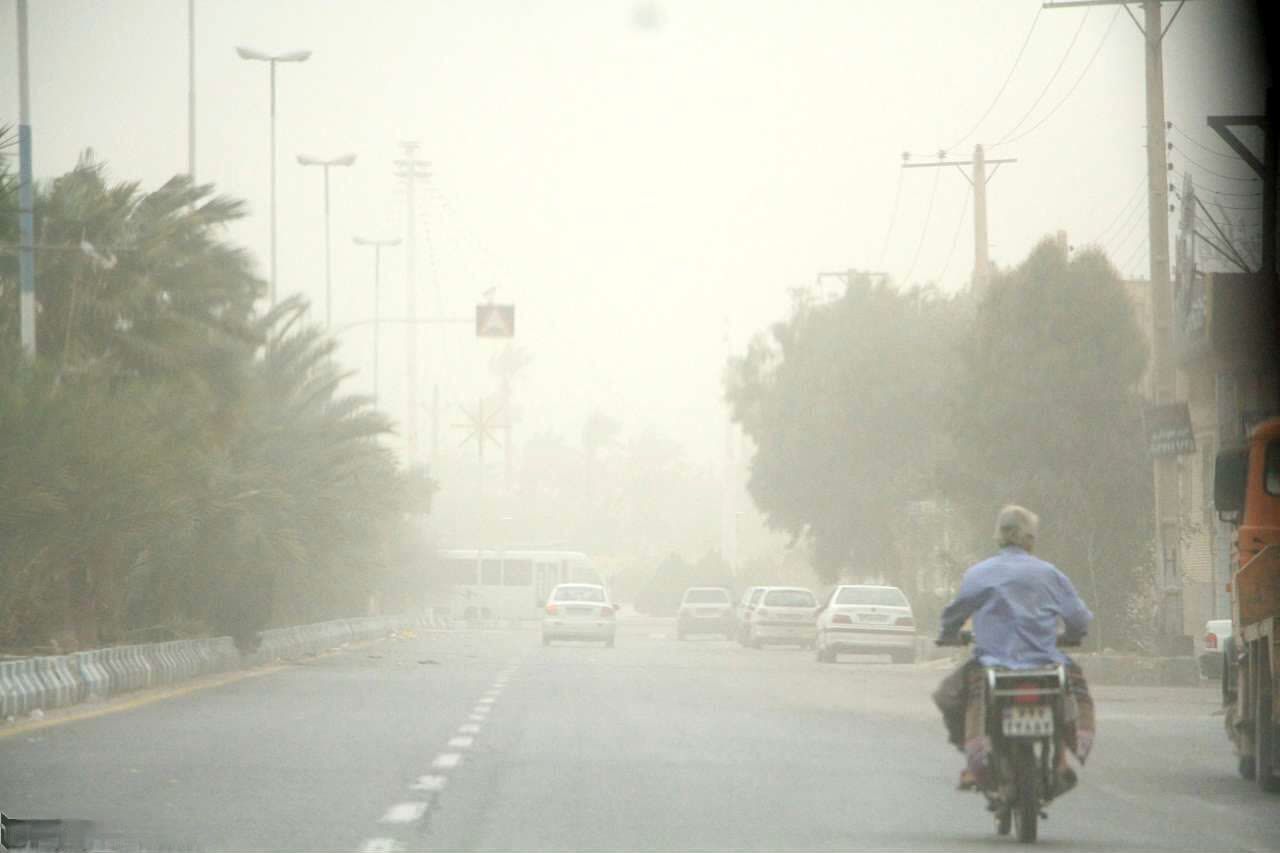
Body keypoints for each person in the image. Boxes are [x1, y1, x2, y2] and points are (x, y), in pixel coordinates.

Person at [932, 504, 1095, 792]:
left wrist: (948, 634)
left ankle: (975, 761)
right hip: (1045, 661)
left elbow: (955, 613)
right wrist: (1072, 634)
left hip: (992, 664)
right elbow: (1078, 618)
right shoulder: (1050, 574)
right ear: (1030, 539)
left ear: (999, 536)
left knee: (949, 696)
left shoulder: (980, 573)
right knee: (1068, 693)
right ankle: (1063, 759)